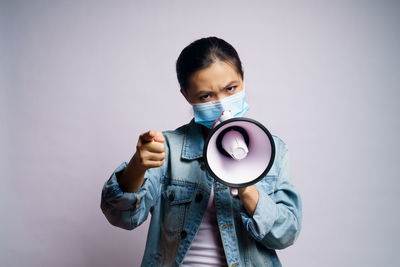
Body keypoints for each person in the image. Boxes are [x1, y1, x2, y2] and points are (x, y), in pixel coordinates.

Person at [100, 37, 302, 267]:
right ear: (186, 95)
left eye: (230, 89)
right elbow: (122, 218)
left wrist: (246, 188)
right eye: (206, 96)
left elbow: (286, 234)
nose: (222, 104)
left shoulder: (273, 150)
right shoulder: (167, 149)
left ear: (243, 79)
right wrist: (137, 166)